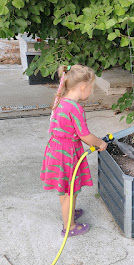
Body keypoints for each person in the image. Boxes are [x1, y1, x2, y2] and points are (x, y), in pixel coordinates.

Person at [40, 65, 107, 237]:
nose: (91, 92)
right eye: (91, 88)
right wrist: (99, 142)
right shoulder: (75, 108)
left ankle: (69, 212)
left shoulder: (60, 101)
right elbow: (84, 135)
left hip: (55, 150)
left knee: (66, 188)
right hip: (66, 154)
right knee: (69, 192)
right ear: (83, 86)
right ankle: (69, 226)